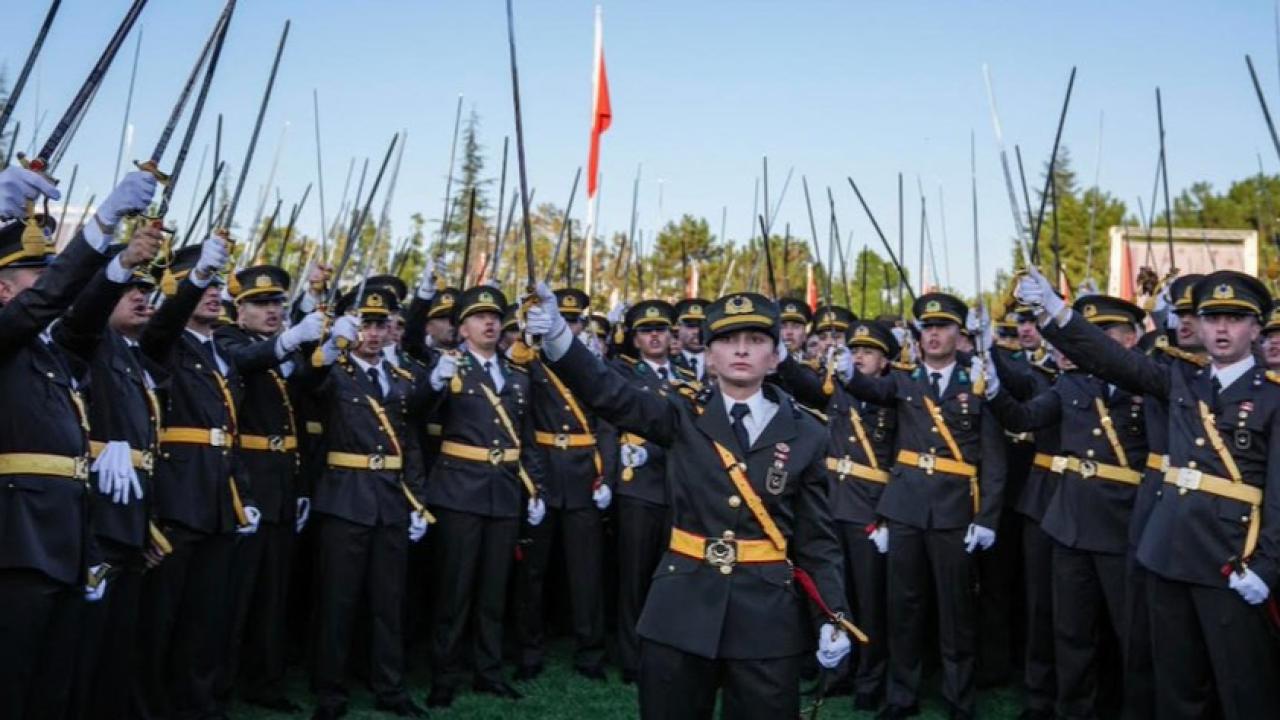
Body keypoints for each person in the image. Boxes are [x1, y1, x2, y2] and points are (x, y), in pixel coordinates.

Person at [526, 286, 854, 719]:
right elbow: (609, 393)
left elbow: (817, 539)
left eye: (756, 340)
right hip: (681, 605)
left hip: (766, 614)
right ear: (709, 355)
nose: (741, 350)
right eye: (727, 340)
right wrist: (558, 341)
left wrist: (835, 614)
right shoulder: (681, 413)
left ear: (776, 358)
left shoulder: (808, 433)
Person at [1018, 266, 1280, 718]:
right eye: (1211, 317)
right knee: (1176, 687)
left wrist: (1268, 566)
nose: (1220, 328)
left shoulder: (1273, 396)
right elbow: (1110, 358)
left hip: (1232, 557)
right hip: (1168, 552)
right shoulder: (1181, 379)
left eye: (1234, 319)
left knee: (1244, 687)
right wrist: (1055, 311)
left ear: (1256, 328)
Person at [0, 167, 159, 719]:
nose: (50, 285)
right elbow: (43, 305)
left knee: (53, 684)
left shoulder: (48, 350)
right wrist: (99, 225)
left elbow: (83, 317)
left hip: (65, 538)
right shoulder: (8, 335)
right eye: (36, 276)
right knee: (12, 683)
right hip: (16, 540)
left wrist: (118, 264)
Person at [840, 292, 1007, 719]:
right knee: (903, 608)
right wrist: (846, 374)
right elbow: (870, 388)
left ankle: (958, 698)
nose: (933, 335)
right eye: (926, 328)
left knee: (956, 612)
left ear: (959, 333)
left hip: (954, 511)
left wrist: (987, 517)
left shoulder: (978, 382)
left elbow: (993, 460)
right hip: (906, 509)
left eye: (942, 327)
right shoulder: (903, 380)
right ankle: (901, 695)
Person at [985, 294, 1150, 719]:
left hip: (1124, 525)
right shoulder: (1071, 384)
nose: (1088, 345)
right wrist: (993, 390)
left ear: (1131, 340)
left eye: (1104, 335)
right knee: (1070, 631)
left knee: (1130, 634)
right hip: (1069, 523)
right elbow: (1024, 418)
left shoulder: (1150, 385)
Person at [139, 236, 263, 720]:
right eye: (202, 283)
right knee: (162, 618)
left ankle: (199, 705)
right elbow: (164, 322)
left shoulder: (222, 352)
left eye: (215, 283)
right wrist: (189, 285)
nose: (212, 292)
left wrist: (243, 495)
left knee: (207, 618)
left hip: (218, 497)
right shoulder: (166, 340)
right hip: (177, 495)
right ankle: (151, 707)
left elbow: (229, 431)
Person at [296, 286, 429, 719]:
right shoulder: (335, 371)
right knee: (339, 600)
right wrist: (331, 342)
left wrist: (417, 501)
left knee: (388, 602)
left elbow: (408, 444)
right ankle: (330, 691)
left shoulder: (400, 380)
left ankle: (390, 688)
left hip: (390, 499)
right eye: (366, 325)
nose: (373, 334)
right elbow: (306, 380)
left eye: (381, 325)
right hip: (345, 497)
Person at [421, 285, 547, 708]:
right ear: (462, 328)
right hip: (459, 489)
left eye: (495, 317)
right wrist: (434, 382)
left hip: (504, 491)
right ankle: (445, 674)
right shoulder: (449, 368)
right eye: (479, 317)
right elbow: (416, 414)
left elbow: (526, 437)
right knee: (454, 591)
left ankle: (487, 671)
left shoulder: (516, 374)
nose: (490, 323)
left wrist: (536, 487)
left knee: (494, 591)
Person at [776, 319, 900, 710]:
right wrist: (780, 354)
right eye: (856, 350)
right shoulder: (837, 389)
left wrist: (888, 515)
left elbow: (902, 460)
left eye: (868, 352)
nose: (859, 357)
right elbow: (803, 385)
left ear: (884, 362)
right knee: (831, 597)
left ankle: (870, 678)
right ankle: (836, 673)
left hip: (869, 508)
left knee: (869, 601)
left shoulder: (895, 397)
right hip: (832, 504)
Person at [214, 264, 322, 712]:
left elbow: (309, 387)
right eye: (260, 304)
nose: (273, 310)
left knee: (273, 593)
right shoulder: (229, 341)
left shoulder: (282, 350)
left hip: (282, 477)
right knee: (235, 594)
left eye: (277, 302)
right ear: (239, 311)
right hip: (248, 478)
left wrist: (324, 348)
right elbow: (248, 363)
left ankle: (265, 679)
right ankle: (219, 684)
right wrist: (292, 340)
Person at [515, 287, 610, 681]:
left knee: (587, 572)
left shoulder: (588, 364)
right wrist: (532, 482)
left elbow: (608, 419)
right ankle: (529, 651)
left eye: (573, 321)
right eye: (562, 319)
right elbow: (520, 422)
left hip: (585, 475)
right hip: (544, 471)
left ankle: (591, 652)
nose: (567, 326)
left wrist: (606, 475)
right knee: (532, 571)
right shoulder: (530, 363)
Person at [609, 298, 681, 684]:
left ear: (672, 336)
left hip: (678, 488)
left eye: (662, 330)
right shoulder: (623, 372)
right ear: (634, 339)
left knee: (672, 577)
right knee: (634, 578)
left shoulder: (687, 374)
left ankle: (666, 651)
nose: (655, 336)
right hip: (640, 486)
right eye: (646, 330)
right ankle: (632, 657)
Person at [672, 297, 711, 382]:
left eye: (702, 326)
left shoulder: (719, 362)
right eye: (691, 326)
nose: (696, 331)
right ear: (678, 328)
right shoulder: (667, 361)